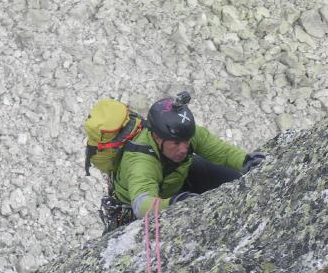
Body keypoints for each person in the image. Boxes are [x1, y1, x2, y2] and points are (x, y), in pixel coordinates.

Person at [110, 92, 265, 221]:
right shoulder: (140, 160)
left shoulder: (185, 134)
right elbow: (141, 205)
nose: (184, 148)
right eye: (176, 143)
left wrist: (245, 161)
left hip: (176, 181)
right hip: (148, 202)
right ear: (157, 137)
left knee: (235, 177)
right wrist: (172, 204)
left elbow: (222, 152)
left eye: (187, 140)